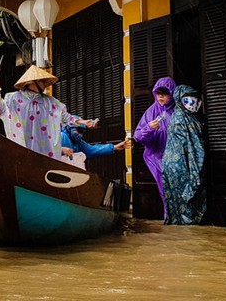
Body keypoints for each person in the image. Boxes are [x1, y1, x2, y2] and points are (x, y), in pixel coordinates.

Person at [0, 65, 97, 161]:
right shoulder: (13, 99)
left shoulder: (49, 102)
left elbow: (64, 116)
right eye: (42, 81)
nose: (45, 85)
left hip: (43, 150)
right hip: (21, 148)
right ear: (32, 82)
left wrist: (83, 122)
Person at [162, 84, 206, 225]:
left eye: (194, 97)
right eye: (188, 97)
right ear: (179, 99)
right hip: (181, 167)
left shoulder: (185, 117)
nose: (192, 101)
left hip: (173, 166)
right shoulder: (181, 119)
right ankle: (188, 234)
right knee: (186, 203)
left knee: (178, 203)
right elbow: (194, 146)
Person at [133, 77, 176, 211]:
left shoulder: (178, 111)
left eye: (165, 93)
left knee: (180, 191)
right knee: (165, 191)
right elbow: (138, 136)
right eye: (158, 93)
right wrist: (149, 128)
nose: (161, 96)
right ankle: (170, 220)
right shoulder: (151, 111)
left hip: (176, 158)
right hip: (157, 157)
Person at [60, 122, 129, 158]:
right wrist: (61, 149)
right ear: (69, 128)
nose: (80, 134)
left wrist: (114, 147)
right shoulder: (62, 136)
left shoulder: (79, 143)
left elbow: (92, 149)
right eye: (78, 130)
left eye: (82, 131)